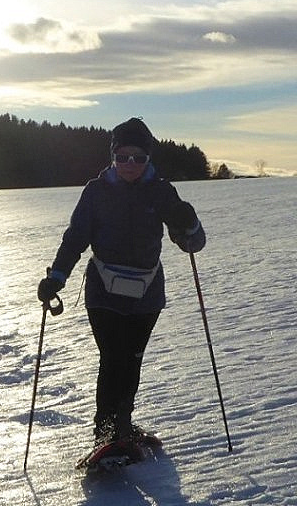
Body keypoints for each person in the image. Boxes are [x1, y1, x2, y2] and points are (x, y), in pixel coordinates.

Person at [37, 117, 206, 447]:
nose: (130, 164)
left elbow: (192, 243)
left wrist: (190, 222)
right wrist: (56, 277)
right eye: (123, 157)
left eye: (138, 157)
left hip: (147, 293)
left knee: (132, 360)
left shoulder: (161, 191)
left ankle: (123, 427)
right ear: (113, 158)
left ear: (148, 159)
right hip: (103, 289)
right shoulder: (96, 191)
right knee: (113, 358)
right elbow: (76, 237)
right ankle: (106, 432)